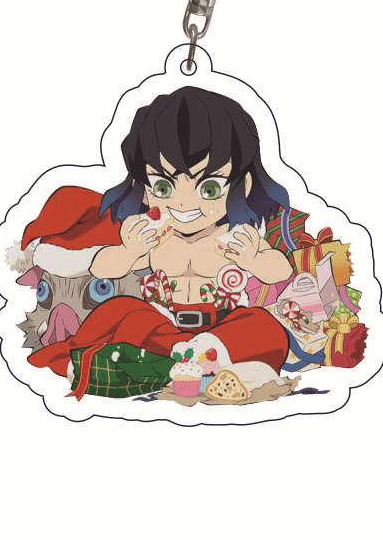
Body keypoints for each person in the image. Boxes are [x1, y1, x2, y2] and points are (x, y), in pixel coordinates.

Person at [28, 87, 292, 390]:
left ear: (242, 186)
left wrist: (254, 260)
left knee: (265, 327)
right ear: (144, 188)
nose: (184, 204)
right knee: (119, 311)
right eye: (163, 188)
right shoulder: (155, 237)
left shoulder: (234, 235)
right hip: (164, 328)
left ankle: (206, 357)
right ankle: (175, 361)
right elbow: (102, 267)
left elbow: (281, 270)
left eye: (208, 189)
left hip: (220, 328)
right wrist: (128, 253)